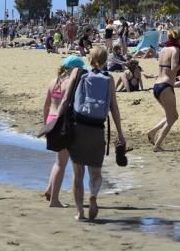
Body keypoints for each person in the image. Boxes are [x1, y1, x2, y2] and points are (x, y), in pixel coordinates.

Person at [60, 46, 125, 221]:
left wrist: (56, 121)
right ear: (105, 60)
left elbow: (66, 99)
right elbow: (114, 108)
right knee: (95, 172)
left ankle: (80, 212)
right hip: (98, 129)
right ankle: (94, 195)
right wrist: (120, 133)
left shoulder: (78, 74)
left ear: (89, 59)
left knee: (78, 173)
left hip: (79, 127)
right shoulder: (109, 78)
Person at [43, 55, 85, 207]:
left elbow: (46, 105)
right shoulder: (71, 83)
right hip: (62, 122)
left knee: (58, 160)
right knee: (61, 163)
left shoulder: (53, 82)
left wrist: (45, 123)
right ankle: (54, 200)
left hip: (51, 120)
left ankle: (50, 189)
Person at [147, 29, 180, 152]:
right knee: (172, 118)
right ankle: (157, 145)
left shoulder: (163, 50)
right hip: (165, 87)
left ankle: (152, 132)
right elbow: (173, 69)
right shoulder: (175, 50)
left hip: (157, 86)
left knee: (172, 115)